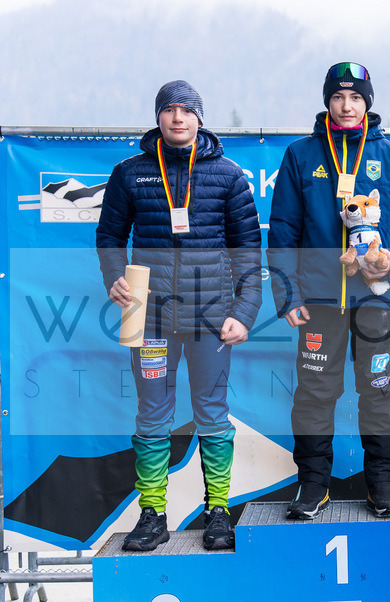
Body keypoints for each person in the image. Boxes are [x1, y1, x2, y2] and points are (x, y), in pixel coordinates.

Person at [96, 80, 262, 552]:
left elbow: (249, 251)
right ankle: (152, 514)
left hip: (211, 317)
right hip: (147, 315)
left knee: (212, 413)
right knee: (152, 416)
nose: (177, 117)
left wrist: (245, 311)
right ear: (158, 117)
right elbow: (109, 236)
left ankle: (219, 512)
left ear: (200, 118)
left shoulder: (228, 175)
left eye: (186, 109)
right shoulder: (130, 173)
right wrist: (113, 277)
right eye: (168, 109)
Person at [267, 62, 390, 520]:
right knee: (314, 394)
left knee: (378, 388)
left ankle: (382, 483)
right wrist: (287, 295)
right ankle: (313, 486)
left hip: (377, 299)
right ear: (327, 102)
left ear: (368, 103)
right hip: (318, 302)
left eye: (356, 97)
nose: (347, 104)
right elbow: (282, 233)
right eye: (338, 97)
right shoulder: (301, 155)